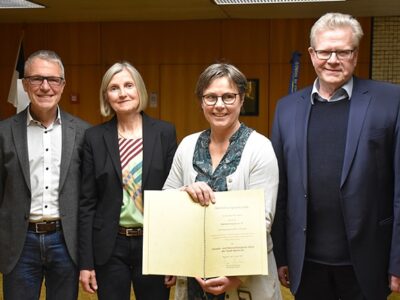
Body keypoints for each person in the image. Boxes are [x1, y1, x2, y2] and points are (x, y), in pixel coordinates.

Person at [271, 12, 400, 300]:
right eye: (325, 51)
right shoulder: (287, 108)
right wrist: (281, 254)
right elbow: (281, 190)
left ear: (355, 54)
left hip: (368, 260)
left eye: (343, 51)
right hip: (306, 261)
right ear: (312, 54)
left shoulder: (391, 101)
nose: (333, 59)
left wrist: (397, 260)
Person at [163, 63, 282, 300]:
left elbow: (262, 221)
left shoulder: (260, 148)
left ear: (241, 99)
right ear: (201, 102)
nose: (219, 105)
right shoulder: (187, 146)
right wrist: (186, 190)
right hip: (194, 274)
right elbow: (167, 200)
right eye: (211, 97)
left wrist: (235, 278)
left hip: (244, 277)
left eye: (228, 97)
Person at [78, 61, 177, 300]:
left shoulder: (164, 133)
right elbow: (86, 203)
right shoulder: (93, 138)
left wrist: (174, 257)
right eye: (114, 88)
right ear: (106, 96)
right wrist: (85, 263)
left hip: (153, 245)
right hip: (110, 247)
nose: (122, 93)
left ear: (139, 90)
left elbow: (174, 198)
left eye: (128, 85)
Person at [0, 50, 90, 299]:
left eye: (53, 79)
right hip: (20, 243)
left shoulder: (84, 133)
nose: (45, 86)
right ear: (25, 84)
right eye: (37, 79)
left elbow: (88, 198)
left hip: (66, 241)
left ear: (63, 85)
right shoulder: (4, 132)